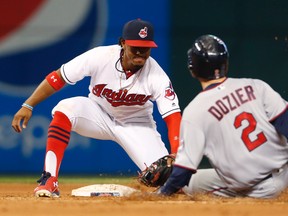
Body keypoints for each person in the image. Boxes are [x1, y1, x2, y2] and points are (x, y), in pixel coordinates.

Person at [11, 19, 181, 198]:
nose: (140, 52)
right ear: (122, 43)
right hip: (97, 113)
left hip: (137, 124)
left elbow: (173, 116)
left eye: (145, 48)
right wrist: (28, 104)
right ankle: (49, 180)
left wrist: (177, 153)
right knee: (65, 108)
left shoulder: (157, 76)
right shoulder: (101, 57)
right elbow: (58, 77)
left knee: (171, 180)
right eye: (135, 46)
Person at [158, 34, 288, 198]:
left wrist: (163, 193)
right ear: (225, 62)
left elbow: (184, 169)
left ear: (193, 68)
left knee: (187, 186)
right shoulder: (256, 86)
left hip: (261, 191)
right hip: (285, 174)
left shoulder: (195, 111)